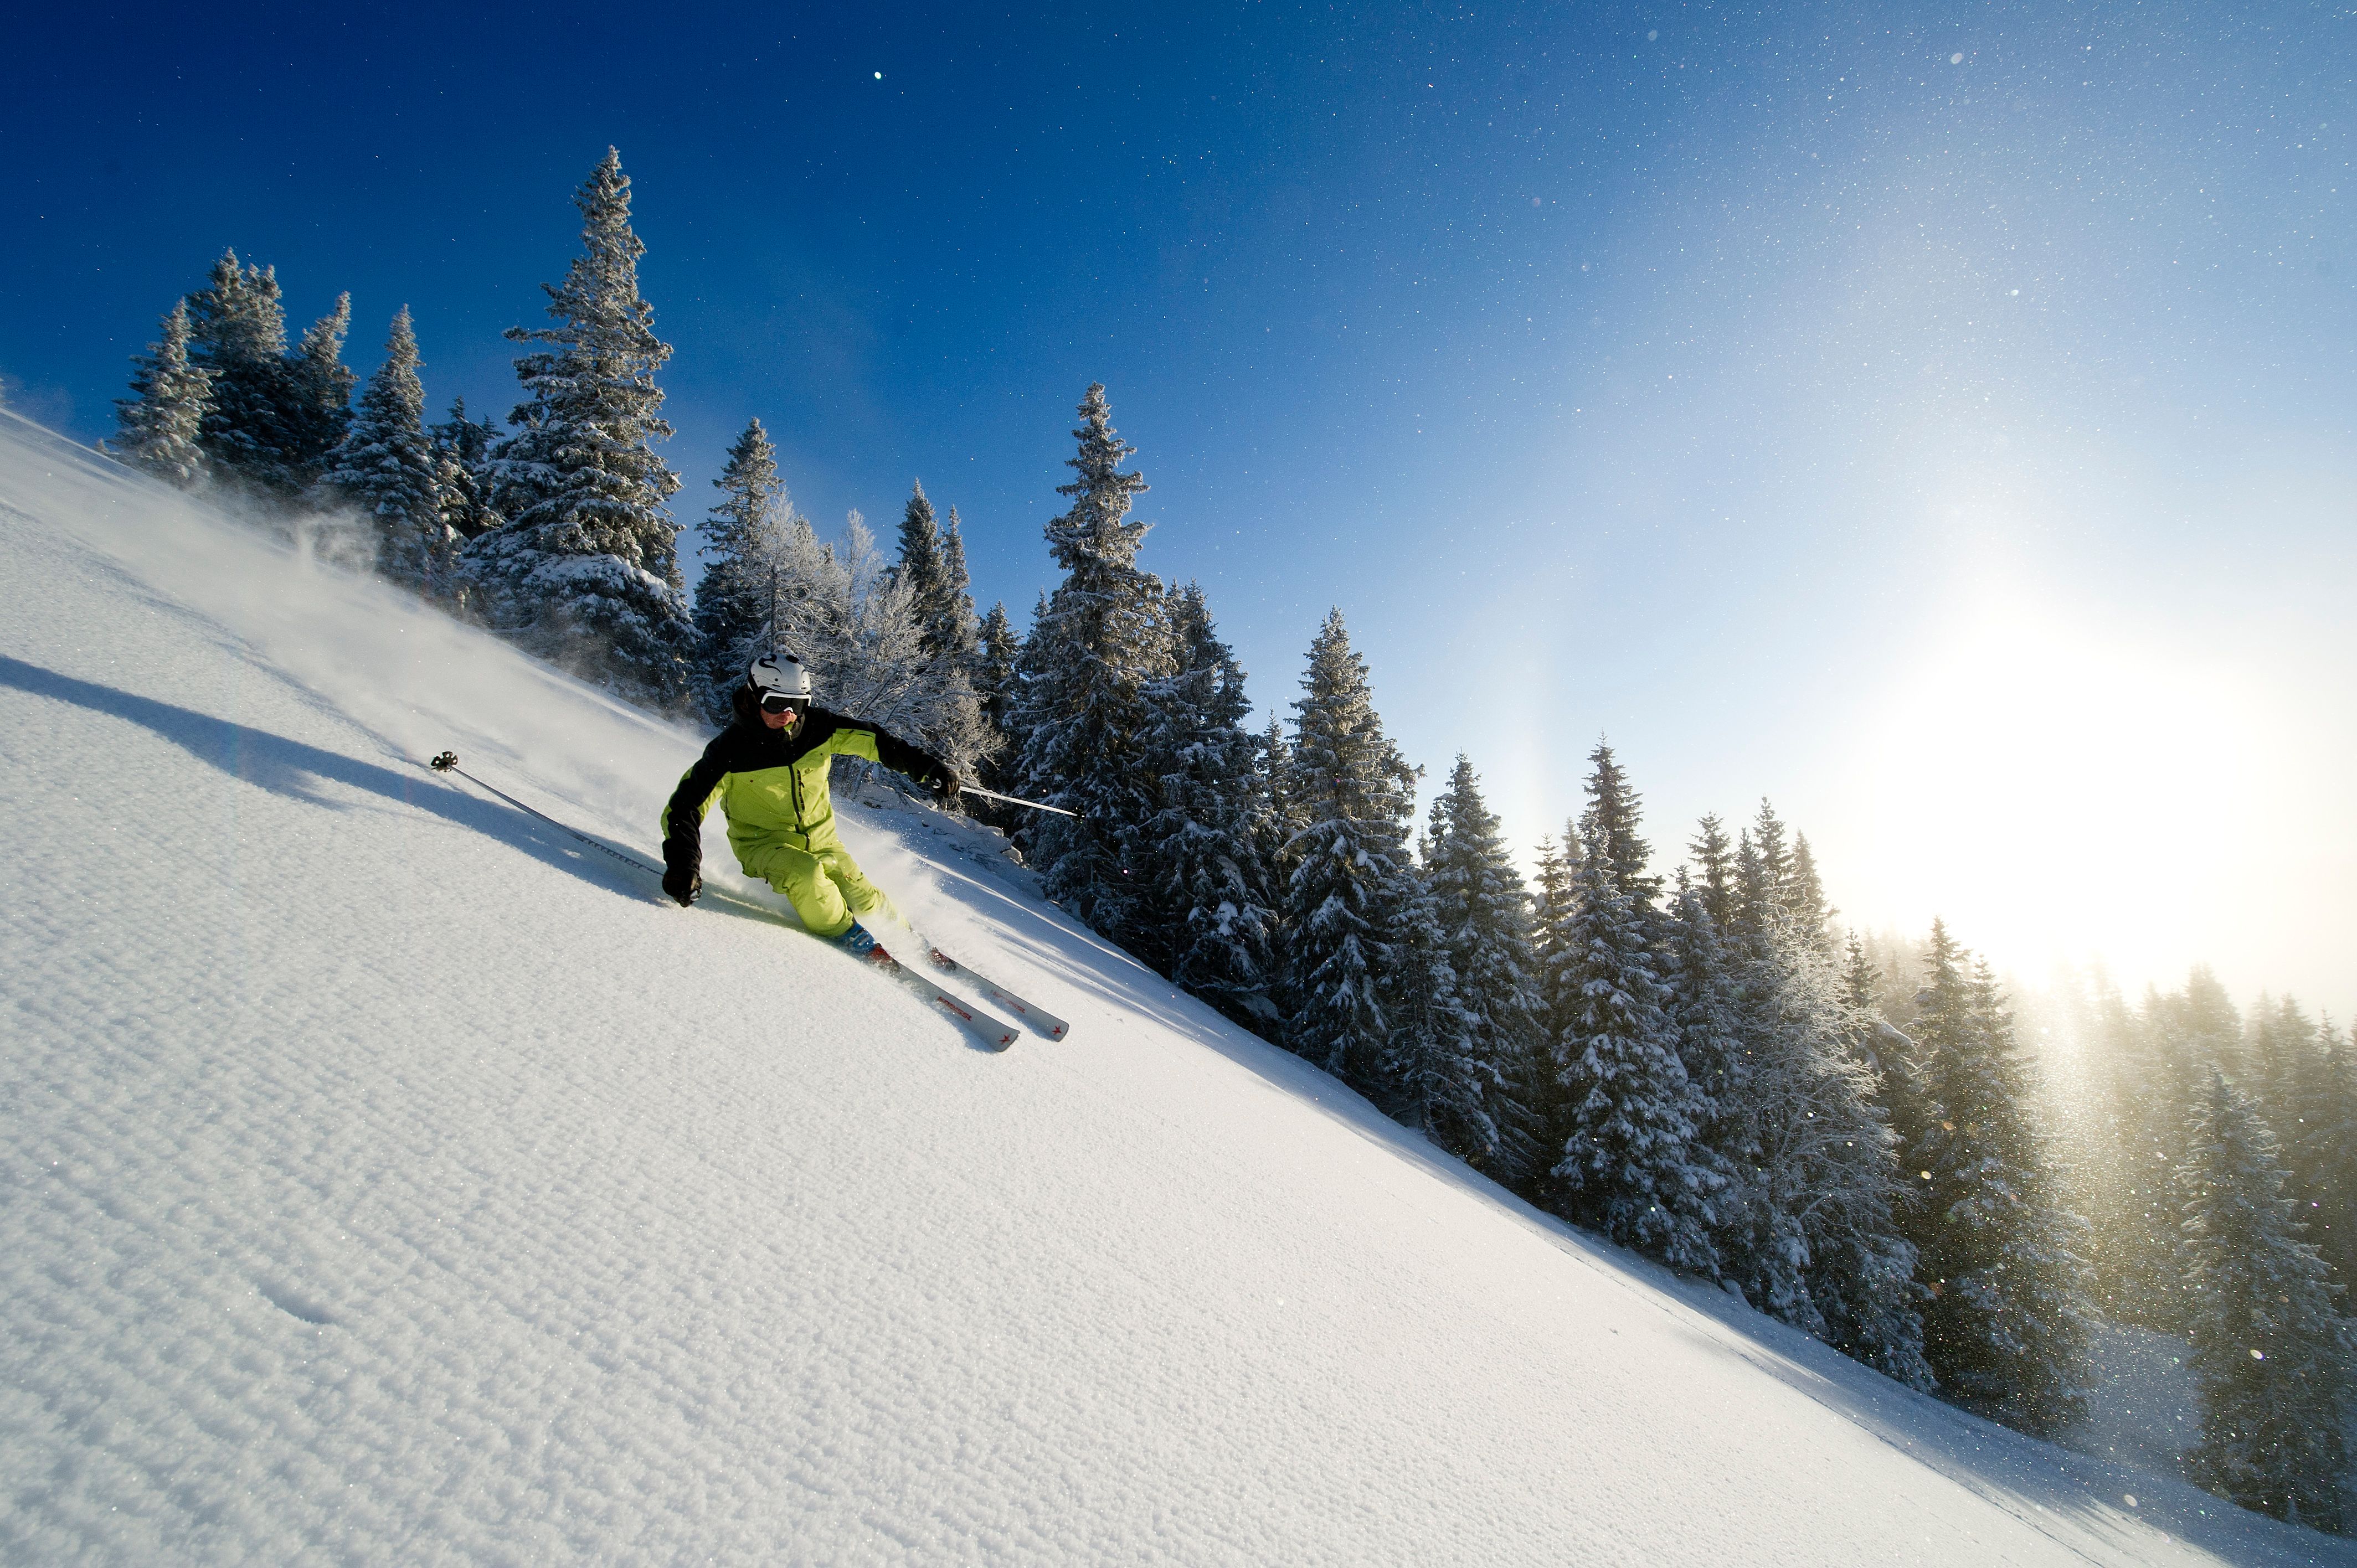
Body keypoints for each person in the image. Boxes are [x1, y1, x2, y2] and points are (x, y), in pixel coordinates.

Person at [660, 651, 962, 962]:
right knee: (807, 874)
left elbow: (874, 741)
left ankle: (906, 937)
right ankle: (846, 933)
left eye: (798, 704)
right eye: (777, 704)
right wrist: (684, 865)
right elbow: (685, 808)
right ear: (754, 698)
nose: (788, 714)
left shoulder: (818, 730)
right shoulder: (730, 752)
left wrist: (928, 768)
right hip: (763, 845)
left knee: (866, 899)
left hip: (824, 841)